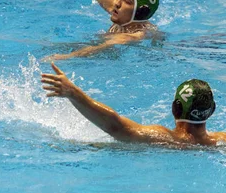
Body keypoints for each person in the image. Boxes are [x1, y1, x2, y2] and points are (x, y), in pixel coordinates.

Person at [41, 62, 226, 146]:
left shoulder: (164, 139)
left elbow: (116, 127)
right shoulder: (221, 141)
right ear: (212, 111)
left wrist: (74, 94)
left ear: (175, 108)